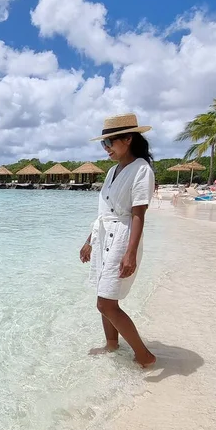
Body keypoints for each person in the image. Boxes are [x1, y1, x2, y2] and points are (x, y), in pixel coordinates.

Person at [79, 113, 156, 367]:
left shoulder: (141, 169)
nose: (106, 149)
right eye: (103, 144)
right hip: (104, 237)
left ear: (128, 138)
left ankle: (144, 355)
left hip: (123, 238)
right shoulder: (113, 170)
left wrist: (130, 252)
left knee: (106, 303)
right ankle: (112, 345)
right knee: (104, 298)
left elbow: (138, 214)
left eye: (109, 143)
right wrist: (90, 240)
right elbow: (104, 212)